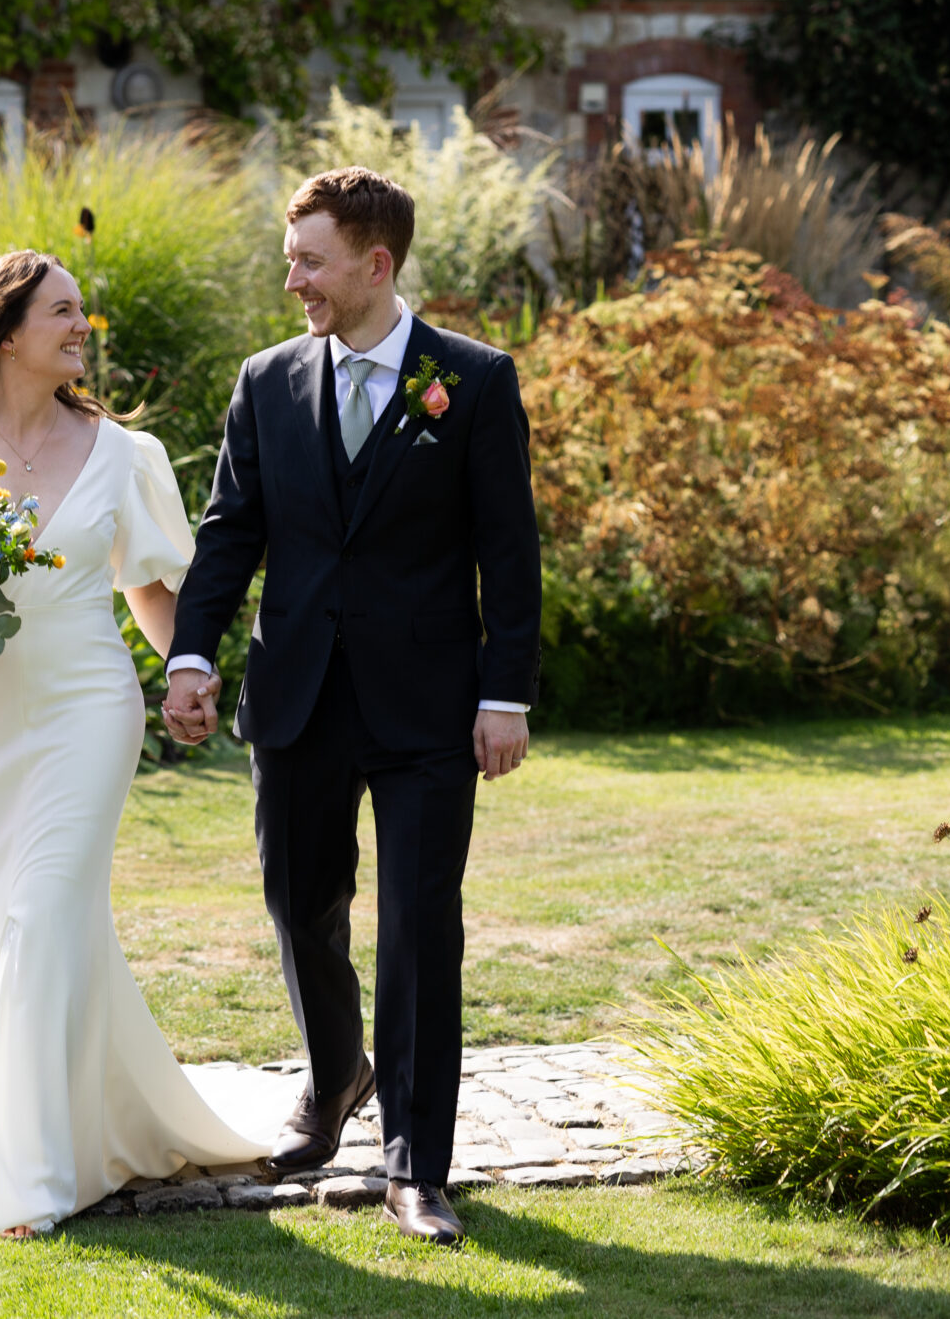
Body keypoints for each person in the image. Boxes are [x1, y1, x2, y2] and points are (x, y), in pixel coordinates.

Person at [162, 167, 543, 1247]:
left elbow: (506, 555)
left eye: (309, 260)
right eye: (290, 259)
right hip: (295, 695)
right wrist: (192, 651)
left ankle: (415, 1166)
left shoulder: (469, 380)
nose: (291, 281)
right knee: (297, 906)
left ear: (375, 265)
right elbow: (231, 529)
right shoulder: (266, 380)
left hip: (428, 705)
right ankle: (336, 1079)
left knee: (419, 931)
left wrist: (502, 692)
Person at [0, 251, 267, 1238]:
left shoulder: (124, 454)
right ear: (0, 331)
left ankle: (32, 1181)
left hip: (88, 703)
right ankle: (90, 1122)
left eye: (82, 310)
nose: (81, 326)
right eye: (60, 311)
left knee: (42, 915)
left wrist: (190, 671)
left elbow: (150, 588)